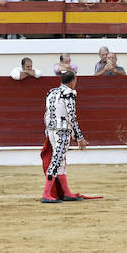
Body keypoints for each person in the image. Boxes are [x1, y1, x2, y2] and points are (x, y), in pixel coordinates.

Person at [40, 70, 88, 203]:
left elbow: (47, 114)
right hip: (62, 131)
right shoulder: (69, 94)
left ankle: (66, 193)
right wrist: (79, 137)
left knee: (60, 161)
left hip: (51, 130)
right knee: (56, 160)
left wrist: (47, 131)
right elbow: (72, 116)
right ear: (73, 81)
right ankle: (46, 194)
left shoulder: (51, 92)